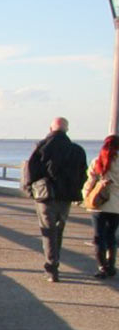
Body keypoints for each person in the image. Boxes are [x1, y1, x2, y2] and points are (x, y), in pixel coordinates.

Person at [22, 117, 88, 282]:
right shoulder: (77, 150)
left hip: (45, 196)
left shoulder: (42, 147)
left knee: (48, 230)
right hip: (66, 197)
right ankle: (54, 262)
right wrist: (76, 189)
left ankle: (51, 267)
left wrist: (29, 189)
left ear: (51, 128)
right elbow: (83, 174)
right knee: (58, 229)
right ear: (66, 130)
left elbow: (30, 170)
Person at [83, 134, 119, 278]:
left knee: (99, 236)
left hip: (99, 204)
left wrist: (86, 197)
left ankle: (102, 267)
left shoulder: (98, 162)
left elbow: (90, 182)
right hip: (116, 206)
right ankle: (111, 265)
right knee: (112, 235)